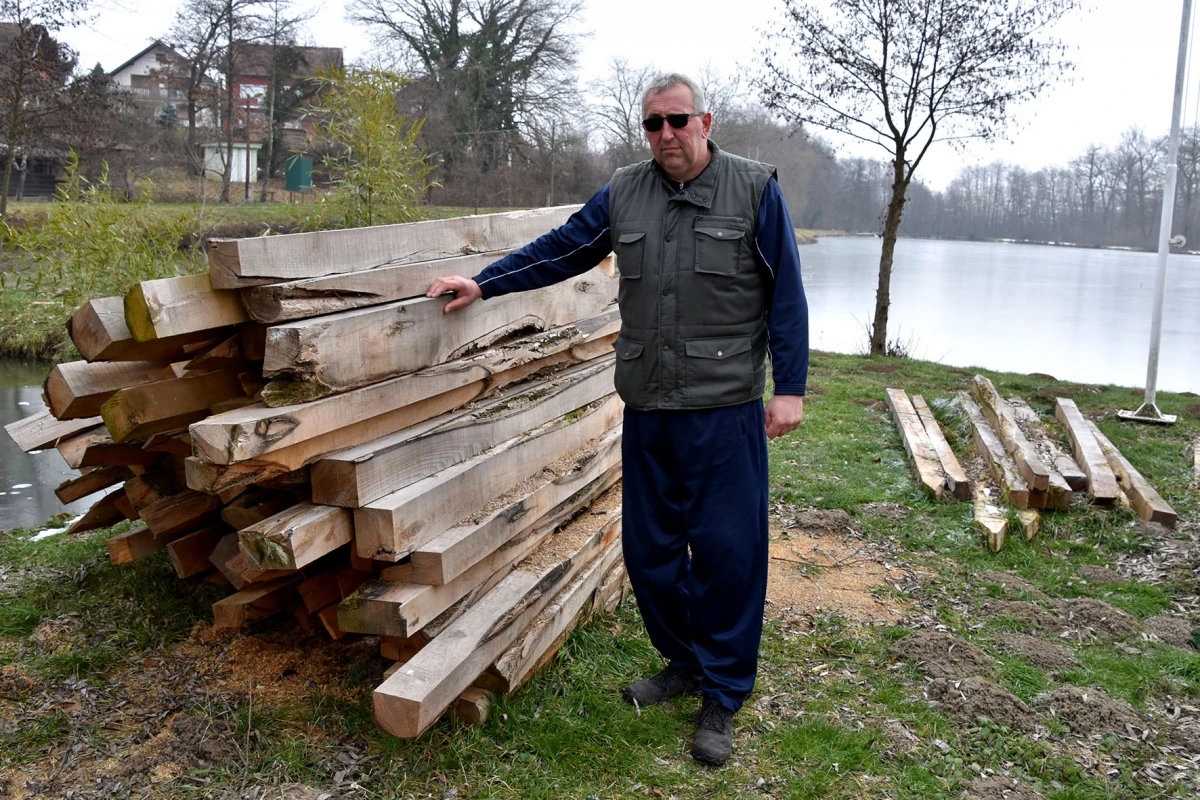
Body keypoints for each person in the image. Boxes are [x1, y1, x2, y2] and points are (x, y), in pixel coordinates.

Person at [426, 73, 808, 765]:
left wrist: (792, 387)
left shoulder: (755, 189)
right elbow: (562, 248)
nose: (666, 134)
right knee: (649, 555)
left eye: (678, 120)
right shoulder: (625, 191)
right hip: (649, 407)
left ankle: (724, 691)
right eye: (653, 124)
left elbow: (786, 293)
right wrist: (483, 282)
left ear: (705, 122)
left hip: (723, 411)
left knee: (727, 556)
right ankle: (685, 661)